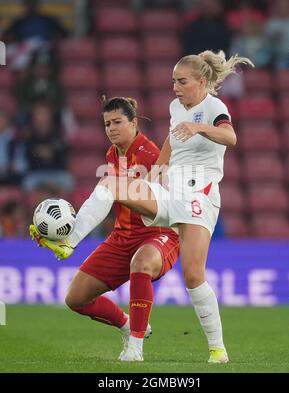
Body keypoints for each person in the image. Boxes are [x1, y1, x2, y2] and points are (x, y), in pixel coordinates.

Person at [30, 51, 254, 363]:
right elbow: (172, 142)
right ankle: (69, 241)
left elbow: (230, 136)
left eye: (181, 81)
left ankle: (218, 349)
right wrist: (155, 176)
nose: (174, 86)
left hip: (198, 196)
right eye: (173, 80)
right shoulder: (176, 107)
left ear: (201, 82)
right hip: (170, 189)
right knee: (110, 183)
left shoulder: (215, 107)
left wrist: (199, 128)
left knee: (193, 276)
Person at [30, 97, 179, 362]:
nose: (111, 128)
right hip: (123, 236)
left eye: (117, 122)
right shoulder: (112, 154)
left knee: (142, 263)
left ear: (134, 123)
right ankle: (126, 324)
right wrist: (63, 234)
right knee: (75, 298)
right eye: (107, 123)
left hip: (158, 233)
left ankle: (135, 347)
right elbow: (103, 200)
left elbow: (162, 203)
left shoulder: (151, 155)